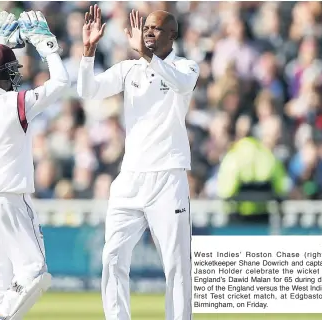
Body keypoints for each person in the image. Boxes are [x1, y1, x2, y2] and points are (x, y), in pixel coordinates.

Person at [77, 5, 200, 320]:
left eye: (156, 29)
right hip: (130, 178)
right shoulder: (128, 69)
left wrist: (146, 56)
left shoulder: (186, 67)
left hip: (168, 178)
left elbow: (181, 85)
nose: (148, 32)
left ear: (172, 35)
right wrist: (88, 50)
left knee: (177, 265)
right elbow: (87, 90)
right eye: (146, 27)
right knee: (113, 258)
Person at [0, 10, 69, 320]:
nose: (15, 77)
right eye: (11, 71)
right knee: (35, 271)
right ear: (1, 75)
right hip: (9, 198)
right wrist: (46, 46)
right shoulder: (15, 103)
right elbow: (62, 81)